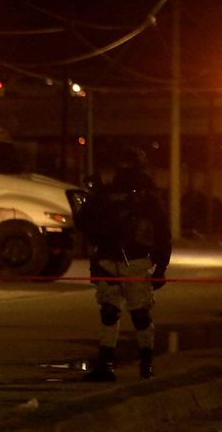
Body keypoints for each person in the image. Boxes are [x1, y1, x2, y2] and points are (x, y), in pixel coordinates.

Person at [75, 146, 171, 382]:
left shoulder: (108, 192)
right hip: (132, 259)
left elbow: (84, 223)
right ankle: (144, 367)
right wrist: (161, 267)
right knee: (139, 314)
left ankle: (108, 366)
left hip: (111, 260)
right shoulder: (146, 194)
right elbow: (162, 232)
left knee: (111, 313)